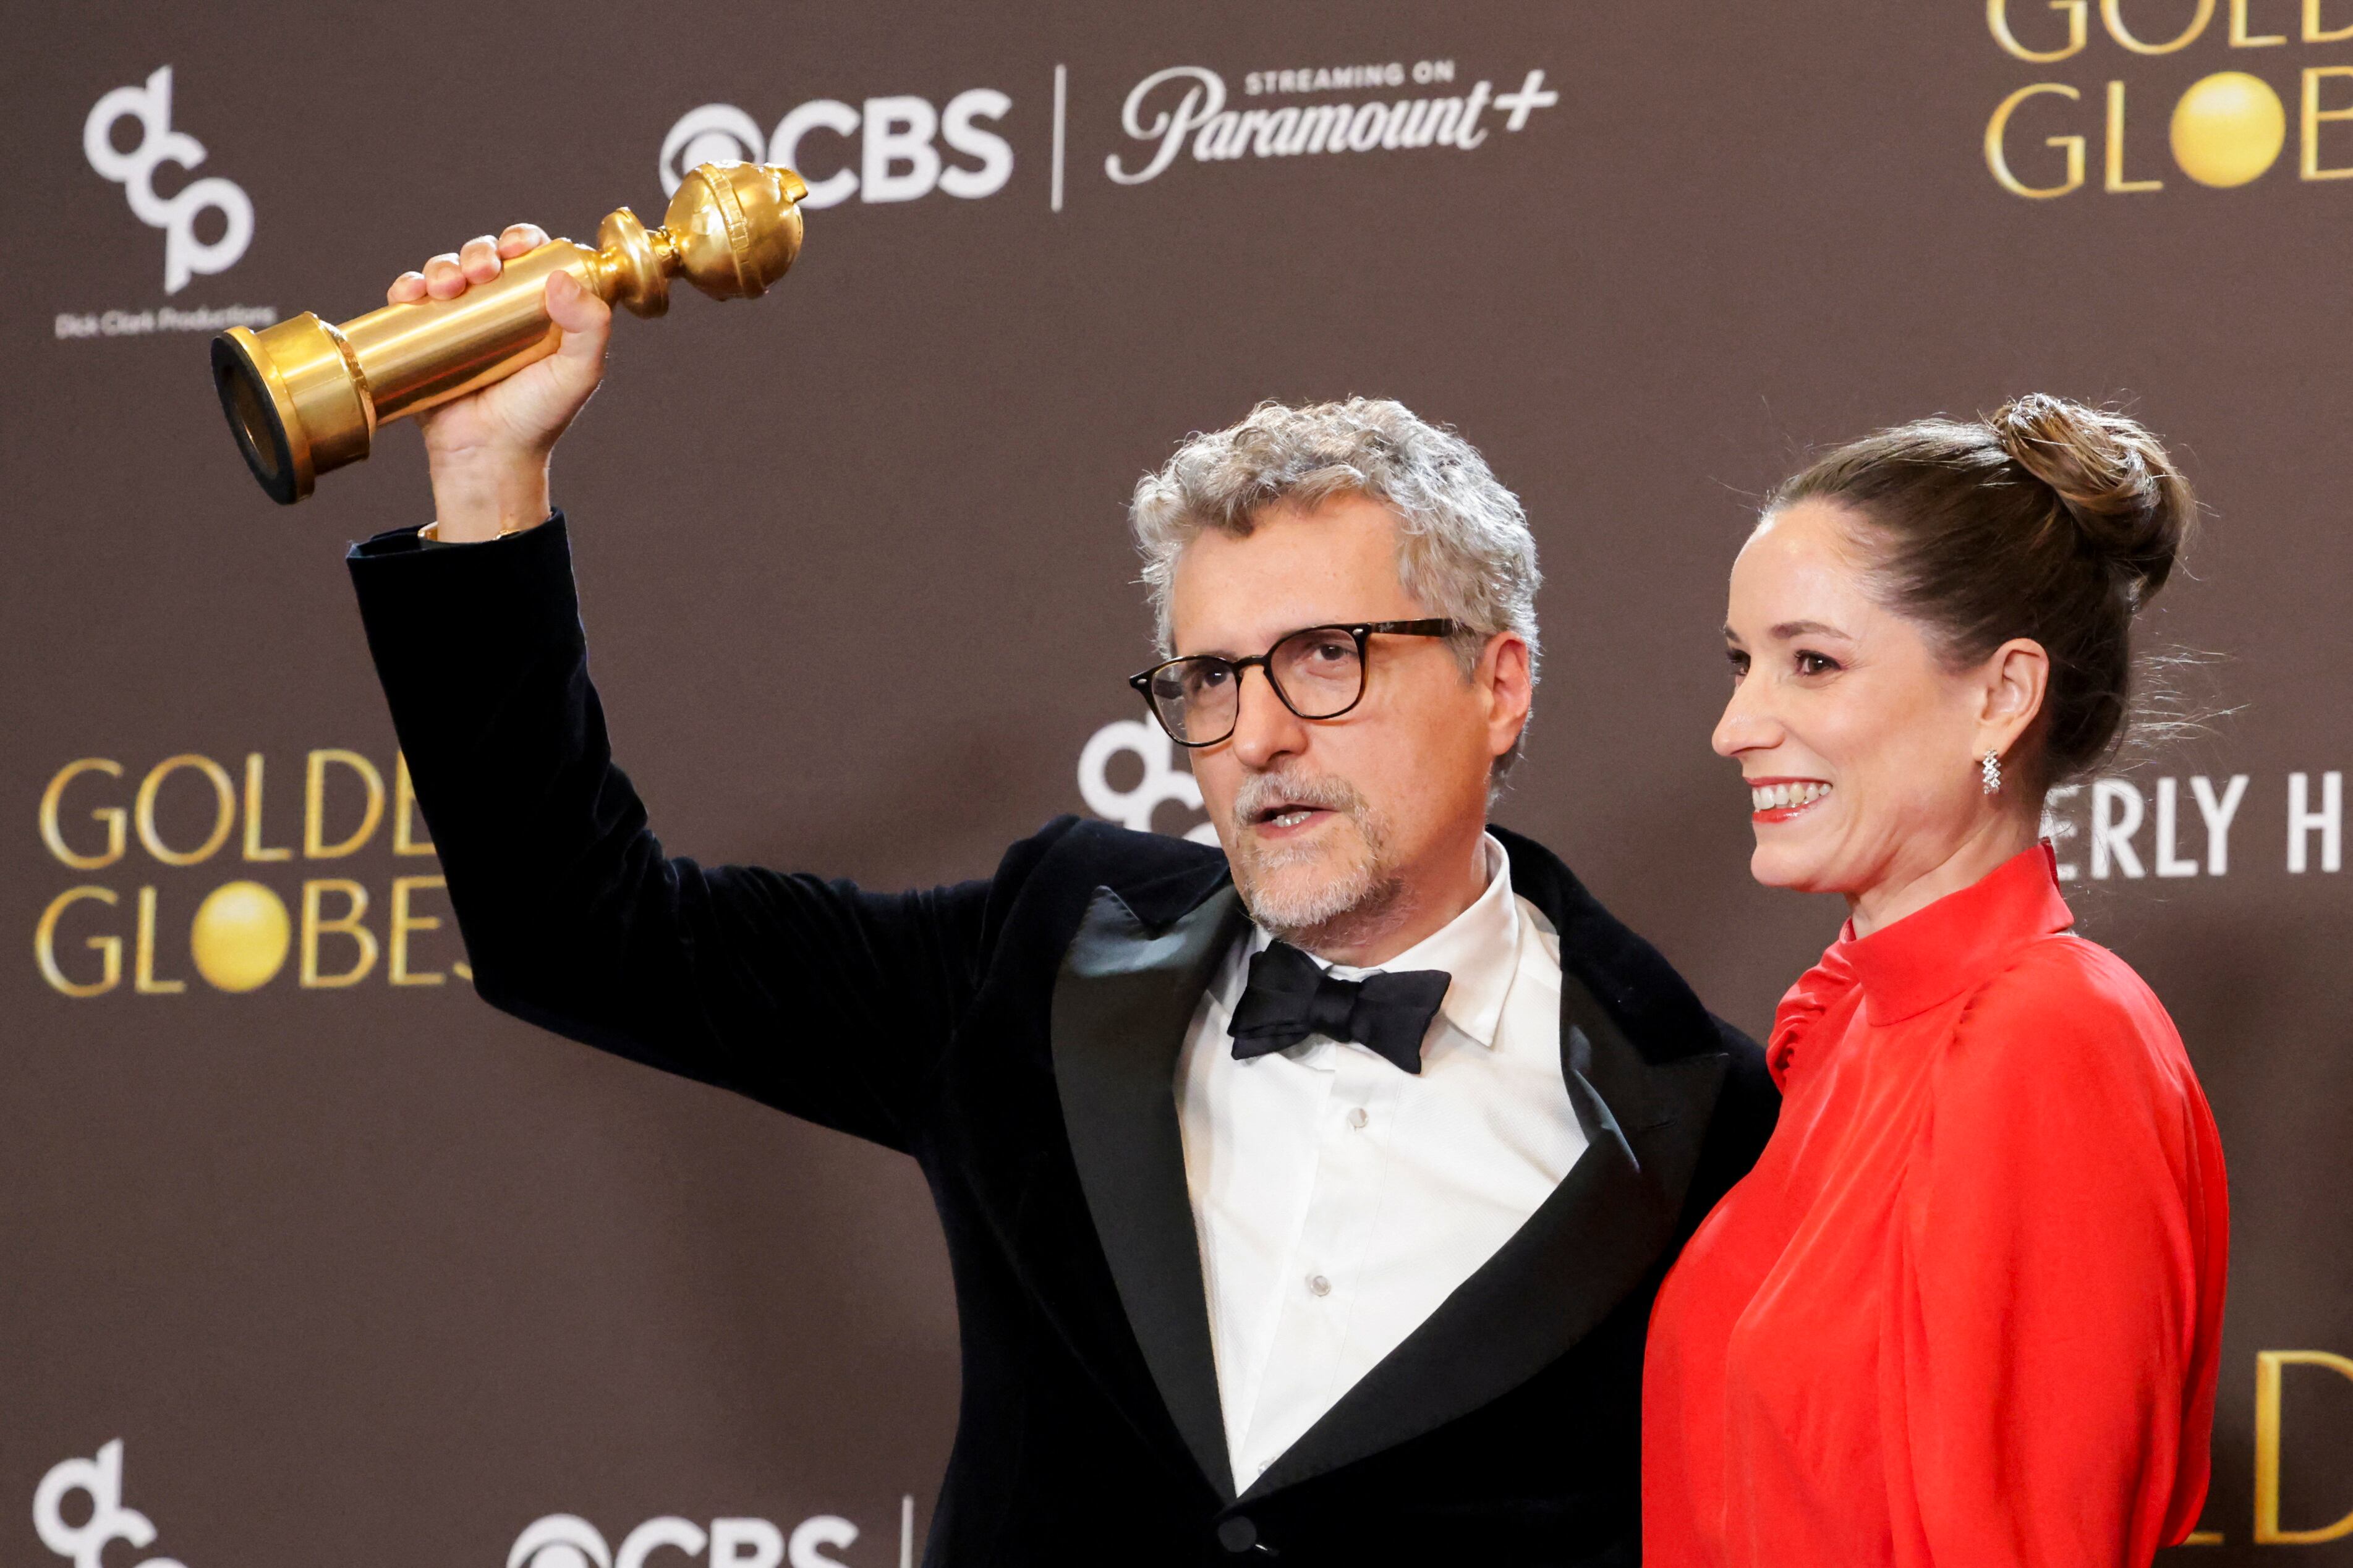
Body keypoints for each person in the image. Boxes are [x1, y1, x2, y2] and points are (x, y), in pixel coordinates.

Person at [345, 226, 1777, 1565]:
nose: (1259, 736)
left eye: (1327, 656)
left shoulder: (1705, 1115)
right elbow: (582, 933)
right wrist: (488, 488)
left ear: (1498, 684)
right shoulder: (1046, 955)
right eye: (1209, 679)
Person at [1643, 396, 2230, 1567]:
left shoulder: (2052, 1034)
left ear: (2002, 694)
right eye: (1742, 662)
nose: (1735, 723)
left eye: (1810, 662)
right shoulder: (1853, 1021)